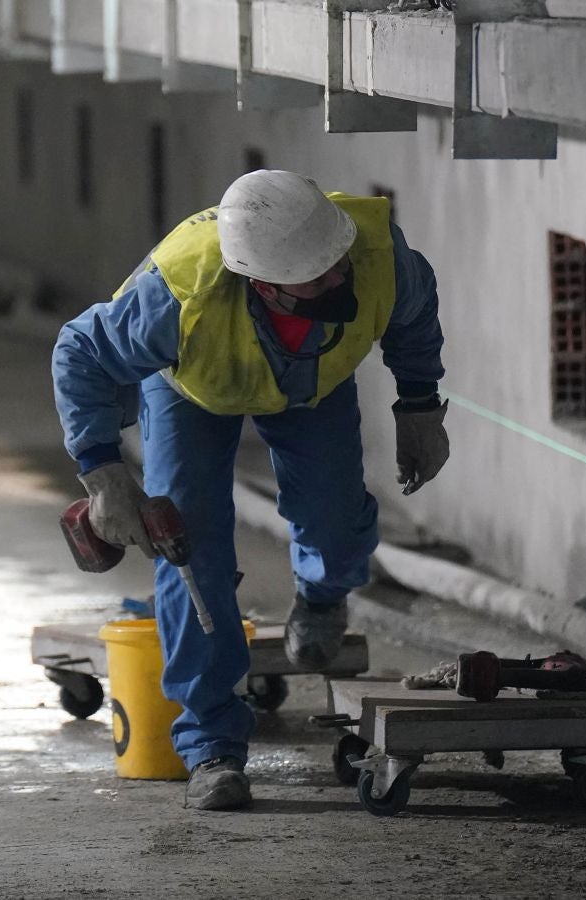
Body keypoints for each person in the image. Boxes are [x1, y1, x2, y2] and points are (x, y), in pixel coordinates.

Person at [51, 170, 449, 811]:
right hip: (190, 388)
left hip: (312, 381)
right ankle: (211, 745)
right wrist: (102, 473)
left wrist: (421, 406)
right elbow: (80, 351)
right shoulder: (177, 297)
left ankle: (321, 599)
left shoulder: (376, 256)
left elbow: (413, 319)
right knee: (191, 550)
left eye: (338, 264)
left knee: (333, 514)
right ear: (264, 284)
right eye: (315, 281)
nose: (338, 280)